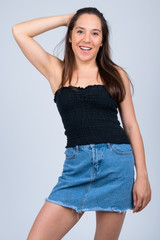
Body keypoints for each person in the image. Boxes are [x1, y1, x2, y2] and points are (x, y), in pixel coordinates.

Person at [12, 7, 151, 240]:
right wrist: (67, 19)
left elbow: (131, 126)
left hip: (116, 165)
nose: (87, 39)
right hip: (77, 166)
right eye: (80, 31)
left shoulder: (116, 74)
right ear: (70, 35)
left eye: (95, 33)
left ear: (102, 40)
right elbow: (19, 31)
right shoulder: (57, 71)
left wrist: (143, 176)